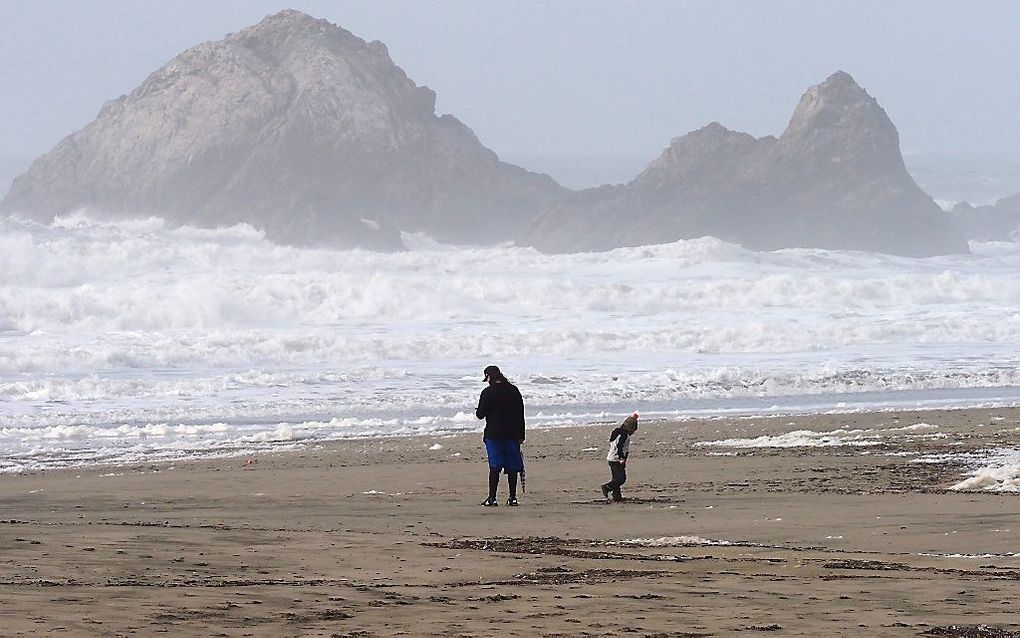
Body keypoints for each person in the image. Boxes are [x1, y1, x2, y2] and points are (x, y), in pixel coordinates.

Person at [475, 365, 526, 507]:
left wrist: (479, 410)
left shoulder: (487, 392)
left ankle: (492, 498)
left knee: (495, 466)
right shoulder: (513, 391)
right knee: (512, 467)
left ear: (489, 377)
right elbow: (520, 414)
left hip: (494, 434)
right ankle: (512, 498)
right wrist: (521, 435)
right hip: (512, 434)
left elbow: (480, 414)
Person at [601, 413, 638, 502]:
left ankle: (617, 496)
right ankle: (607, 487)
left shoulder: (617, 432)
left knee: (616, 478)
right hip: (616, 459)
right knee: (621, 478)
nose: (633, 433)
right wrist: (621, 458)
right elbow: (619, 446)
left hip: (611, 457)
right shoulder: (624, 435)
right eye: (633, 430)